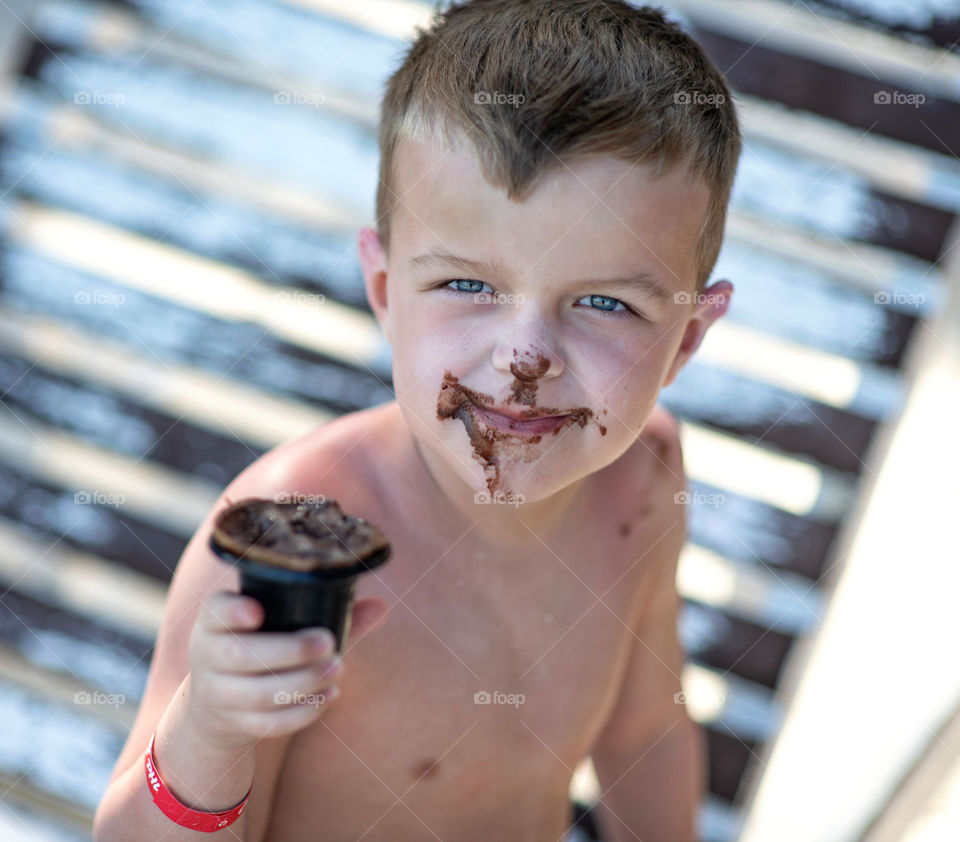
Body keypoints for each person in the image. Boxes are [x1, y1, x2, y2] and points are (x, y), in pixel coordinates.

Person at [93, 1, 740, 839]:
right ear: (386, 292)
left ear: (685, 337)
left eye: (604, 302)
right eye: (469, 286)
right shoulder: (298, 541)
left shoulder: (643, 480)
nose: (525, 356)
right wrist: (211, 730)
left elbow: (644, 726)